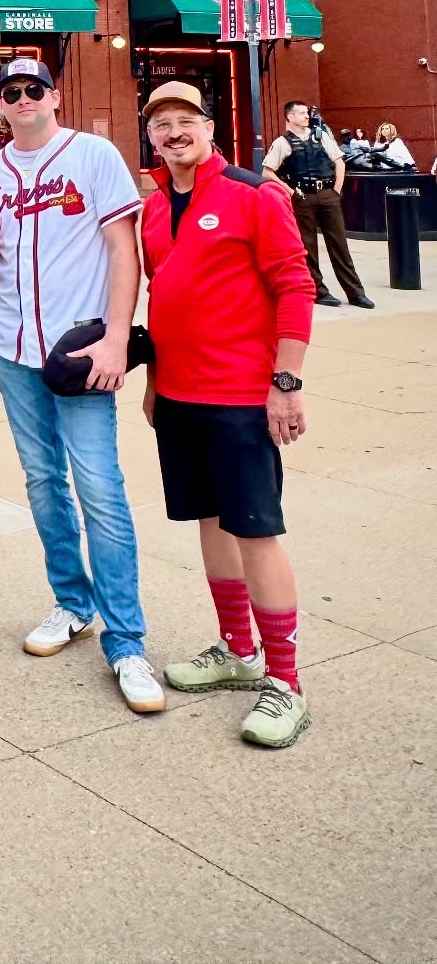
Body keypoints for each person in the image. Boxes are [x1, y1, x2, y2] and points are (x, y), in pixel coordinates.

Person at [0, 57, 164, 717]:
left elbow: (125, 249)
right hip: (13, 353)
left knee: (101, 490)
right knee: (41, 482)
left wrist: (118, 337)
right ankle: (72, 600)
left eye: (34, 89)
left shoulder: (91, 155)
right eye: (12, 92)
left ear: (53, 96)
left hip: (81, 353)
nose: (24, 99)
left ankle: (126, 640)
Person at [139, 81, 316, 748]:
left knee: (255, 531)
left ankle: (286, 682)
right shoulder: (155, 207)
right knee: (211, 521)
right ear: (150, 137)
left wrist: (287, 382)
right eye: (162, 124)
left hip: (242, 396)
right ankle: (237, 650)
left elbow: (294, 285)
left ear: (210, 128)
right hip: (181, 395)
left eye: (186, 120)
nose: (174, 132)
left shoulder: (252, 192)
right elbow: (162, 295)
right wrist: (156, 381)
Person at [263, 103, 374, 309]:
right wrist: (288, 190)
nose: (307, 116)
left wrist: (337, 190)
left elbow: (340, 162)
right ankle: (319, 291)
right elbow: (267, 172)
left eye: (307, 112)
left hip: (328, 194)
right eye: (302, 113)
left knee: (339, 244)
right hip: (302, 197)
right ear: (289, 117)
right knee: (308, 247)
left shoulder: (321, 136)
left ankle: (356, 293)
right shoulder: (282, 143)